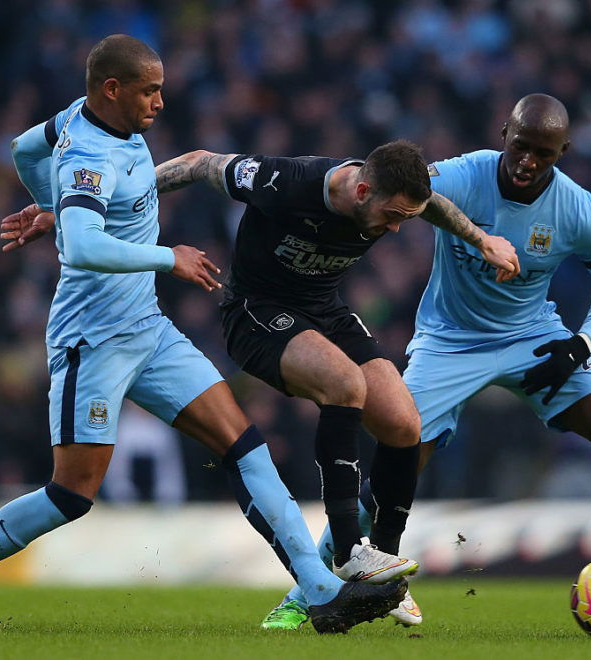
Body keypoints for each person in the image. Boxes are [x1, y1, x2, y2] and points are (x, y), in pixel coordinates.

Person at [0, 34, 408, 635]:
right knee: (70, 495)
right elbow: (80, 247)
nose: (160, 101)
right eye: (149, 90)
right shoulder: (87, 155)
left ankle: (318, 590)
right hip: (92, 340)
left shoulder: (80, 125)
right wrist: (166, 257)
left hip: (148, 329)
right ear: (112, 89)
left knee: (244, 443)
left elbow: (23, 148)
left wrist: (51, 204)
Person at [279, 93, 591, 624]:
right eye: (522, 146)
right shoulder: (464, 175)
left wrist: (582, 342)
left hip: (533, 337)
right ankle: (307, 594)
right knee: (394, 467)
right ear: (505, 132)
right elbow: (401, 193)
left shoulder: (578, 210)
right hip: (449, 342)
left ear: (563, 152)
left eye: (544, 154)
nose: (528, 161)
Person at [148, 140, 520, 629]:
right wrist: (89, 206)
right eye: (391, 216)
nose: (394, 228)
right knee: (345, 384)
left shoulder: (393, 197)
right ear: (361, 189)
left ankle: (384, 571)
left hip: (324, 310)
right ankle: (347, 552)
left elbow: (433, 206)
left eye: (405, 218)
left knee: (406, 423)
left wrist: (480, 238)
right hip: (256, 312)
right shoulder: (286, 180)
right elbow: (199, 163)